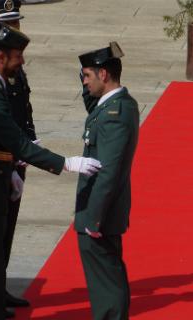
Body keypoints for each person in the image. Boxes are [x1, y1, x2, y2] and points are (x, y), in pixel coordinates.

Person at [0, 22, 102, 320]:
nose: (22, 61)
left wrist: (10, 172)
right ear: (2, 57)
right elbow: (15, 140)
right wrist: (66, 163)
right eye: (18, 56)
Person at [75, 42, 139, 320]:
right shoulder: (114, 104)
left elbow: (109, 171)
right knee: (105, 275)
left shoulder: (114, 114)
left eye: (87, 75)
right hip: (100, 209)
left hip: (100, 211)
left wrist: (94, 217)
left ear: (103, 75)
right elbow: (92, 101)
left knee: (106, 279)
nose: (84, 82)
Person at [0, 0, 33, 310]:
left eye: (16, 23)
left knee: (8, 228)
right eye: (8, 25)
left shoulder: (14, 65)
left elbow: (22, 107)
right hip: (1, 159)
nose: (15, 29)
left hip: (17, 155)